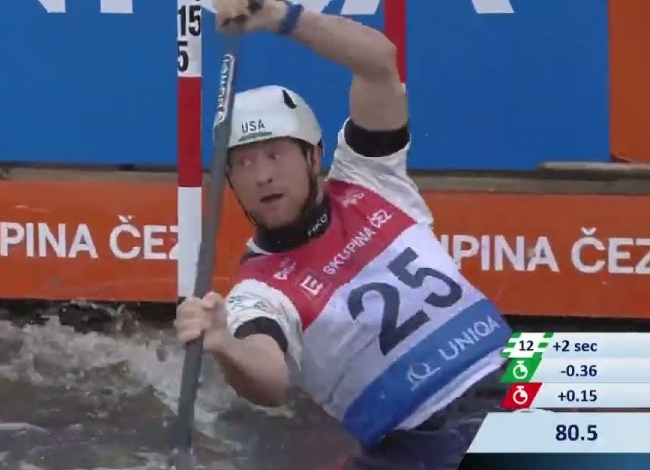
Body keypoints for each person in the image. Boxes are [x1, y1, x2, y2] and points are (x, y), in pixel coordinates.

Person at [173, 1, 512, 469]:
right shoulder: (259, 290)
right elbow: (269, 380)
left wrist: (280, 18)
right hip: (414, 448)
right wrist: (226, 345)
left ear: (314, 156)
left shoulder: (371, 178)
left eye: (275, 155)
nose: (262, 176)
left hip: (510, 382)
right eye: (243, 163)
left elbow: (378, 65)